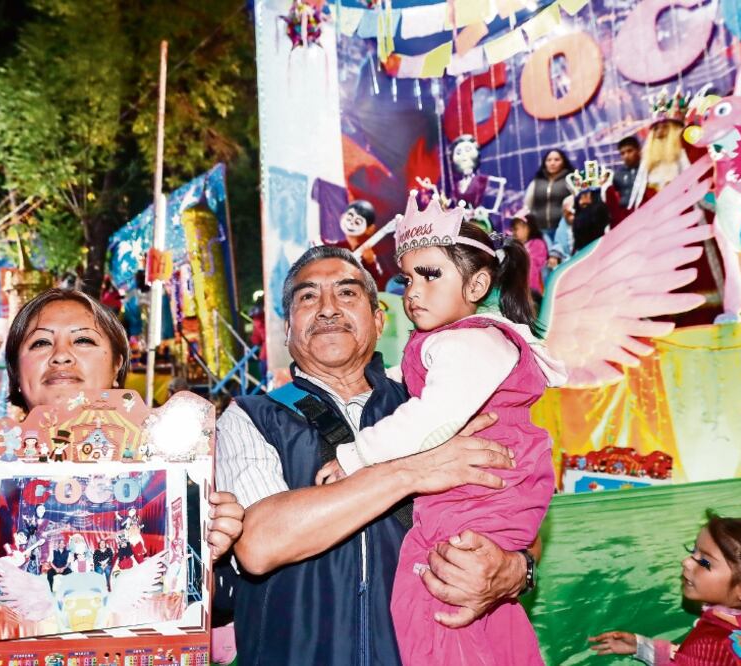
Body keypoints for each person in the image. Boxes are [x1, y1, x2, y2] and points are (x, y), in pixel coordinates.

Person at [0, 288, 245, 666]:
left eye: (84, 341)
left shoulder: (175, 464)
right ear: (16, 375)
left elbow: (228, 604)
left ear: (117, 364)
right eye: (39, 343)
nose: (60, 356)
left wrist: (213, 555)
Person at [216, 244, 542, 666]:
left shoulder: (441, 401)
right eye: (308, 296)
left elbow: (515, 499)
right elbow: (259, 544)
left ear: (380, 318)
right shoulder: (250, 417)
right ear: (287, 328)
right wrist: (411, 472)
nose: (328, 308)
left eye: (348, 293)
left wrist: (517, 569)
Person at [316, 194, 565, 665]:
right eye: (408, 277)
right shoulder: (456, 340)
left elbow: (434, 417)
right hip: (480, 490)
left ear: (477, 284)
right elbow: (419, 383)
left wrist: (355, 456)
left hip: (483, 489)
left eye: (431, 275)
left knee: (432, 594)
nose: (413, 291)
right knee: (472, 604)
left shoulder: (473, 340)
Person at [589, 515, 741, 665]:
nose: (686, 562)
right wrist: (640, 646)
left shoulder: (717, 642)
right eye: (692, 551)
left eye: (704, 562)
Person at [524, 149, 575, 241]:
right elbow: (527, 205)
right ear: (544, 163)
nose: (552, 163)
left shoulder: (570, 180)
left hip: (565, 228)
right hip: (541, 230)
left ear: (563, 162)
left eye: (556, 160)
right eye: (549, 160)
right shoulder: (536, 182)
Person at [511, 209, 549, 297]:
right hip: (517, 289)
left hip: (533, 290)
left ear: (527, 228)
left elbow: (532, 268)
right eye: (512, 230)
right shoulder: (515, 246)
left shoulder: (538, 244)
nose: (513, 233)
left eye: (516, 229)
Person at [614, 136, 642, 203]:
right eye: (622, 153)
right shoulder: (617, 175)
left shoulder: (648, 168)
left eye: (629, 151)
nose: (626, 156)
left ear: (638, 150)